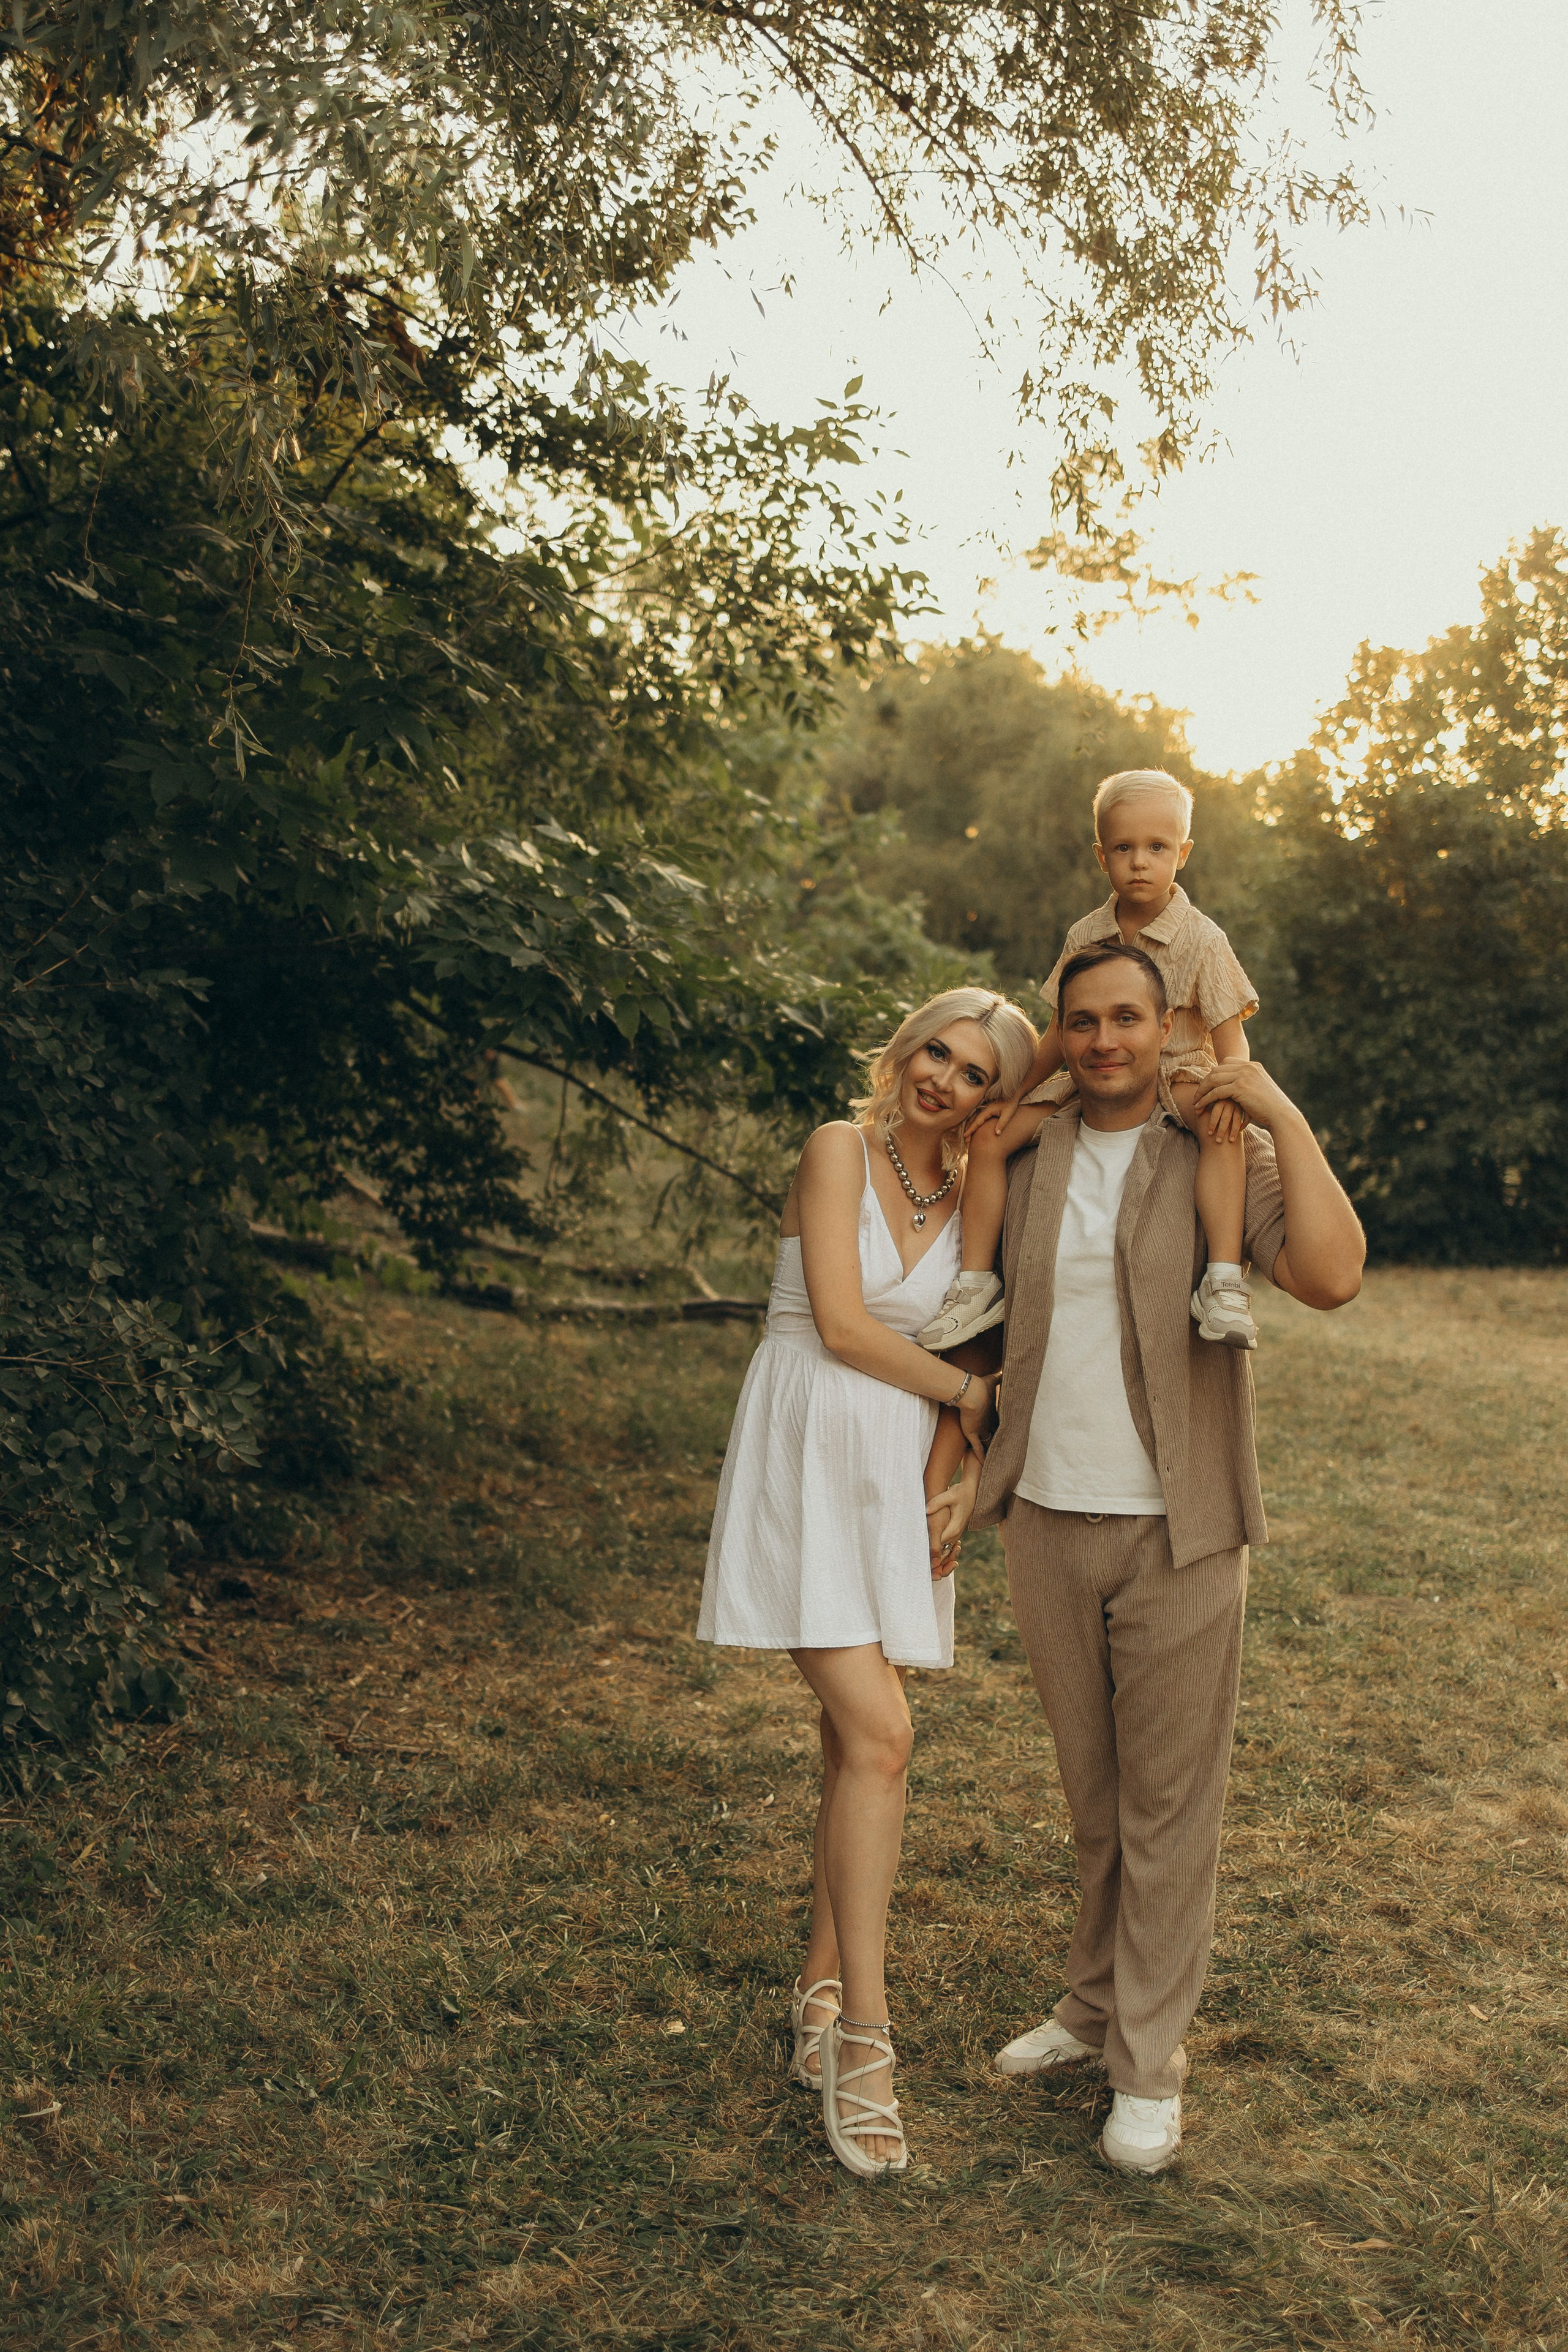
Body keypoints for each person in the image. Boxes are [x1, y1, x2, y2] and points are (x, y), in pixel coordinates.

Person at [965, 940, 1363, 2174]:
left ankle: (1148, 2066)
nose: (1101, 1042)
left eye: (1125, 1018)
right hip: (1043, 1515)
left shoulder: (1211, 1155)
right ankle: (1089, 2010)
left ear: (1163, 1027)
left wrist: (1277, 1107)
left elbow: (1333, 1275)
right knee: (1096, 1801)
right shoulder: (1024, 1161)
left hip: (1176, 1531)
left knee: (1166, 1811)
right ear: (1058, 1036)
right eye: (1079, 1022)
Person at [696, 986, 1037, 2178]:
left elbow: (973, 1335)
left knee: (854, 1747)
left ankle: (816, 1992)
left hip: (892, 1474)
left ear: (994, 1099)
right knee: (882, 1735)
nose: (941, 1077)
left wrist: (952, 1470)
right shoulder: (836, 1147)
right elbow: (842, 1327)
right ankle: (866, 2043)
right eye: (934, 1050)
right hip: (801, 1443)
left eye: (973, 1072)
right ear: (902, 1048)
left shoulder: (970, 1186)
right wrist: (964, 1401)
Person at [919, 769, 1263, 1355]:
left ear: (1183, 853)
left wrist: (1232, 1091)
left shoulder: (1204, 939)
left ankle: (1224, 1281)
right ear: (1102, 855)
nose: (1139, 863)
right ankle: (976, 1284)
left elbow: (1231, 1038)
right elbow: (1058, 1030)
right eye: (1124, 848)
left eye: (1157, 848)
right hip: (1092, 1076)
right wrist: (1015, 1091)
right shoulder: (1087, 933)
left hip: (1179, 1073)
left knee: (1221, 1130)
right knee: (994, 1136)